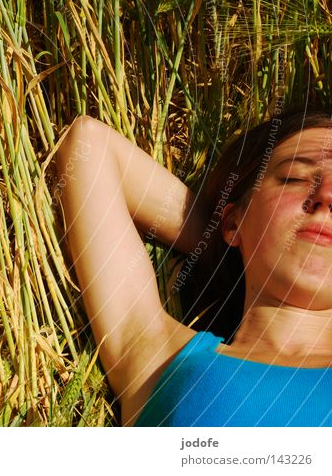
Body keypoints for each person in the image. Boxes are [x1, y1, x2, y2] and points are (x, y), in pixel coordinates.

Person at [52, 104, 332, 426]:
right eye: (294, 177)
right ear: (232, 223)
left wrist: (246, 234)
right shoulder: (158, 359)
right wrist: (227, 240)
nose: (326, 195)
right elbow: (89, 146)